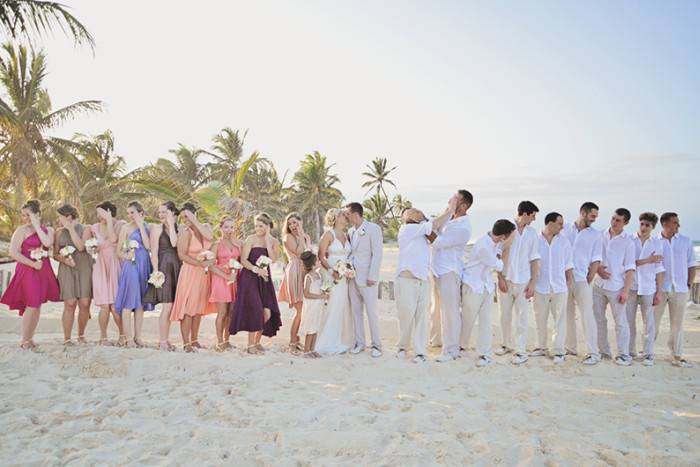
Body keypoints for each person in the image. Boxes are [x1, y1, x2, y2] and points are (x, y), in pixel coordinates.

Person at [395, 196, 457, 363]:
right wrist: (451, 210)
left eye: (415, 210)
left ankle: (420, 351)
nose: (413, 211)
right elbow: (435, 224)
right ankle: (402, 347)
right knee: (406, 315)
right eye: (408, 211)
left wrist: (447, 210)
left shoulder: (424, 231)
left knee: (422, 317)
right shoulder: (406, 230)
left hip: (423, 280)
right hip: (406, 279)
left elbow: (437, 227)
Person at [0, 200, 60, 350]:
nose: (25, 218)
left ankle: (30, 338)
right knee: (32, 304)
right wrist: (33, 264)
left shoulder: (49, 230)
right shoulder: (21, 231)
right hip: (28, 269)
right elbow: (13, 253)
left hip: (43, 270)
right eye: (24, 215)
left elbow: (46, 243)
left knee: (37, 305)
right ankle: (24, 340)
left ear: (38, 214)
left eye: (29, 215)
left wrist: (36, 225)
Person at [461, 220, 516, 367]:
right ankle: (459, 346)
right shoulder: (483, 246)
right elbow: (498, 265)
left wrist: (502, 249)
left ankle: (484, 353)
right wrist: (506, 249)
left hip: (486, 286)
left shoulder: (495, 243)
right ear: (504, 236)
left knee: (486, 322)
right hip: (473, 286)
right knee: (467, 320)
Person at [429, 190, 473, 362]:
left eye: (454, 199)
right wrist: (447, 211)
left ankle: (451, 349)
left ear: (462, 205)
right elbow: (434, 226)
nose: (450, 200)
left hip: (449, 271)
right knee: (435, 309)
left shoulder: (463, 226)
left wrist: (425, 231)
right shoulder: (449, 218)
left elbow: (438, 242)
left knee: (450, 311)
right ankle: (437, 340)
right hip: (436, 269)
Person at [229, 212, 282, 353]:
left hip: (265, 280)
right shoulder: (250, 239)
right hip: (249, 278)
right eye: (256, 226)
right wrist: (256, 269)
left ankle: (257, 342)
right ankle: (250, 345)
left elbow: (274, 259)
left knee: (267, 313)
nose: (257, 228)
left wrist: (268, 241)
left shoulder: (274, 241)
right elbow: (243, 260)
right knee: (257, 310)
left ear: (268, 226)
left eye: (261, 226)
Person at [496, 201, 541, 365]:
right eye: (533, 215)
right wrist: (499, 278)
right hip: (506, 278)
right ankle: (506, 344)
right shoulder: (507, 228)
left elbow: (535, 259)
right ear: (525, 214)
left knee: (522, 317)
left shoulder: (532, 234)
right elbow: (497, 254)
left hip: (524, 280)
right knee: (504, 314)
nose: (534, 219)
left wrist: (533, 283)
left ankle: (520, 349)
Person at [653, 212, 697, 367]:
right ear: (665, 224)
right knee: (653, 322)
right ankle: (648, 352)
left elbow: (692, 264)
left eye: (678, 222)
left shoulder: (685, 241)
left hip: (680, 289)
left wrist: (689, 284)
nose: (678, 225)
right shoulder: (654, 242)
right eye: (675, 222)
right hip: (659, 289)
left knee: (677, 324)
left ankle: (676, 355)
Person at [170, 203, 216, 352]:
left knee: (198, 308)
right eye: (183, 217)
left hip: (203, 274)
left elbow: (210, 238)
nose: (185, 219)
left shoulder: (206, 228)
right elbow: (181, 255)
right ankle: (186, 343)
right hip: (190, 272)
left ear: (194, 214)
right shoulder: (185, 233)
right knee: (188, 307)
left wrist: (209, 262)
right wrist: (199, 263)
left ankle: (195, 340)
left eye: (187, 215)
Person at [561, 202, 602, 365]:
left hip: (581, 279)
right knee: (566, 314)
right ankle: (570, 347)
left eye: (596, 217)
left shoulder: (596, 235)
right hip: (562, 280)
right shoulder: (564, 228)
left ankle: (593, 352)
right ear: (582, 213)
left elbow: (596, 260)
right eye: (592, 216)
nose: (594, 219)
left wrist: (588, 279)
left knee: (587, 315)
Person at [593, 208, 636, 366]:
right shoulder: (600, 235)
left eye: (618, 220)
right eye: (613, 218)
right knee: (598, 320)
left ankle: (623, 354)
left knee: (620, 322)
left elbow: (630, 268)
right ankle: (604, 352)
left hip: (617, 287)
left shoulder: (628, 242)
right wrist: (597, 269)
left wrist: (625, 291)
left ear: (625, 222)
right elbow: (593, 257)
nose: (614, 222)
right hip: (598, 285)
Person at [531, 212, 573, 364]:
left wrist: (569, 282)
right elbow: (530, 262)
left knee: (559, 320)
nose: (562, 227)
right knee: (540, 318)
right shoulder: (535, 240)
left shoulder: (564, 241)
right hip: (540, 286)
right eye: (560, 223)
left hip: (559, 286)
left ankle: (559, 350)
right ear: (550, 223)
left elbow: (568, 264)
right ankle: (541, 347)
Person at [345, 202, 384, 357]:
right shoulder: (350, 231)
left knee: (371, 312)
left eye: (347, 214)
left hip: (367, 278)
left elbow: (377, 254)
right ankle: (360, 343)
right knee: (356, 312)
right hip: (352, 277)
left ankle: (376, 345)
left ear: (355, 214)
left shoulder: (373, 229)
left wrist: (372, 276)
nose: (346, 217)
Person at [626, 212, 664, 366]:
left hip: (648, 287)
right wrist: (648, 260)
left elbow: (659, 269)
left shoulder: (656, 243)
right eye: (642, 224)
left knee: (649, 322)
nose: (643, 227)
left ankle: (648, 354)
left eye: (647, 225)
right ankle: (629, 351)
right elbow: (628, 263)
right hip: (631, 286)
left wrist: (659, 292)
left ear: (653, 227)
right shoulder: (629, 240)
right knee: (629, 321)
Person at [315, 208, 354, 355]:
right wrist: (332, 271)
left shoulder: (345, 235)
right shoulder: (328, 234)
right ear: (335, 218)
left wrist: (348, 269)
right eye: (343, 215)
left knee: (340, 306)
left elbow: (348, 256)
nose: (346, 217)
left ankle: (336, 341)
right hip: (331, 275)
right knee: (331, 305)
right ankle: (324, 343)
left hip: (343, 276)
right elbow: (321, 256)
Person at [143, 201, 182, 351]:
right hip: (164, 268)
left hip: (177, 267)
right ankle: (163, 341)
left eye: (164, 212)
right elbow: (154, 251)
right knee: (167, 305)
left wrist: (171, 224)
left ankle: (166, 339)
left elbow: (174, 242)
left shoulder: (179, 228)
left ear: (172, 213)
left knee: (172, 305)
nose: (161, 215)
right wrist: (156, 271)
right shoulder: (156, 228)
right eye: (159, 212)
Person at [114, 201, 153, 347]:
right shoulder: (125, 228)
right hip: (131, 265)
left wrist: (141, 224)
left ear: (141, 213)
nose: (130, 215)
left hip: (144, 264)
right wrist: (127, 256)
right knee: (129, 301)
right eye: (129, 213)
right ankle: (128, 338)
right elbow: (119, 251)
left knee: (140, 303)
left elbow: (148, 246)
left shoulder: (147, 227)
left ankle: (138, 337)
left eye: (133, 213)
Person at [86, 201, 126, 345]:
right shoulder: (95, 227)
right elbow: (92, 247)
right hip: (101, 266)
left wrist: (109, 220)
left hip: (115, 265)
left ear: (108, 211)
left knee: (115, 306)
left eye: (100, 213)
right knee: (104, 306)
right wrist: (92, 249)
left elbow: (114, 239)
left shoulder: (121, 224)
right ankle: (103, 337)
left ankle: (123, 335)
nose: (98, 216)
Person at [53, 204, 92, 346]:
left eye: (60, 217)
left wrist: (70, 228)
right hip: (67, 268)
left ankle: (81, 335)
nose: (58, 220)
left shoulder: (86, 228)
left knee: (85, 303)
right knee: (70, 303)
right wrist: (64, 260)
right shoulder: (58, 232)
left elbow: (81, 247)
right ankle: (67, 338)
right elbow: (55, 253)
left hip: (84, 267)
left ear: (69, 217)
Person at [279, 212, 311, 352]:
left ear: (300, 222)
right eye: (290, 223)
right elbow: (299, 253)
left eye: (295, 222)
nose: (293, 226)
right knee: (300, 310)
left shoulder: (306, 237)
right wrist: (301, 236)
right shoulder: (288, 237)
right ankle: (292, 341)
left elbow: (310, 254)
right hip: (295, 271)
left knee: (305, 309)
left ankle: (296, 339)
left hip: (305, 271)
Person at [209, 215, 242, 351]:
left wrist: (234, 274)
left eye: (232, 227)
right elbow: (210, 265)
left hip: (234, 279)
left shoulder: (238, 244)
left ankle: (227, 340)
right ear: (221, 228)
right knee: (222, 312)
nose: (229, 230)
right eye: (226, 227)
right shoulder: (217, 244)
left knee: (231, 312)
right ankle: (220, 342)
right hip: (221, 279)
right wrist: (225, 276)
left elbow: (241, 260)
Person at [298, 251, 328, 358]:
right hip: (311, 306)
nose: (320, 262)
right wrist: (320, 297)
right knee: (310, 328)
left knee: (315, 327)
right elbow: (306, 294)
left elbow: (320, 289)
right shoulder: (309, 277)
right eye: (318, 261)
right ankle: (306, 350)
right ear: (313, 264)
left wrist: (324, 293)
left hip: (318, 306)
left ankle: (313, 349)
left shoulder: (319, 275)